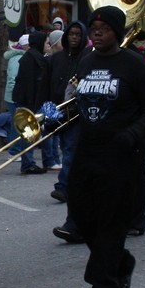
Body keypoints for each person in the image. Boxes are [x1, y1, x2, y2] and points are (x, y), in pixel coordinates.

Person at [68, 6, 145, 288]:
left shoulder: (133, 65)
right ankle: (121, 262)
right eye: (93, 26)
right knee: (82, 217)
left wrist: (132, 135)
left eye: (103, 28)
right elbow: (80, 104)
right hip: (87, 151)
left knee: (110, 221)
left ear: (117, 32)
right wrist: (58, 116)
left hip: (120, 156)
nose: (96, 32)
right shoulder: (86, 61)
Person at [48, 21, 89, 205]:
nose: (74, 37)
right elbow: (47, 85)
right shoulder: (57, 58)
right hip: (58, 109)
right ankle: (75, 185)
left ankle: (63, 187)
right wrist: (45, 110)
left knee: (70, 149)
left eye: (78, 34)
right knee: (66, 148)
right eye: (71, 34)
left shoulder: (87, 58)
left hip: (76, 112)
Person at [13, 31, 55, 174]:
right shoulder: (32, 59)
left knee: (36, 132)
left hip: (31, 101)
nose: (48, 45)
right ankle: (28, 164)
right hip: (31, 102)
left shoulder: (33, 57)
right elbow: (30, 84)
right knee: (29, 133)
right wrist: (33, 104)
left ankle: (37, 161)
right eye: (46, 43)